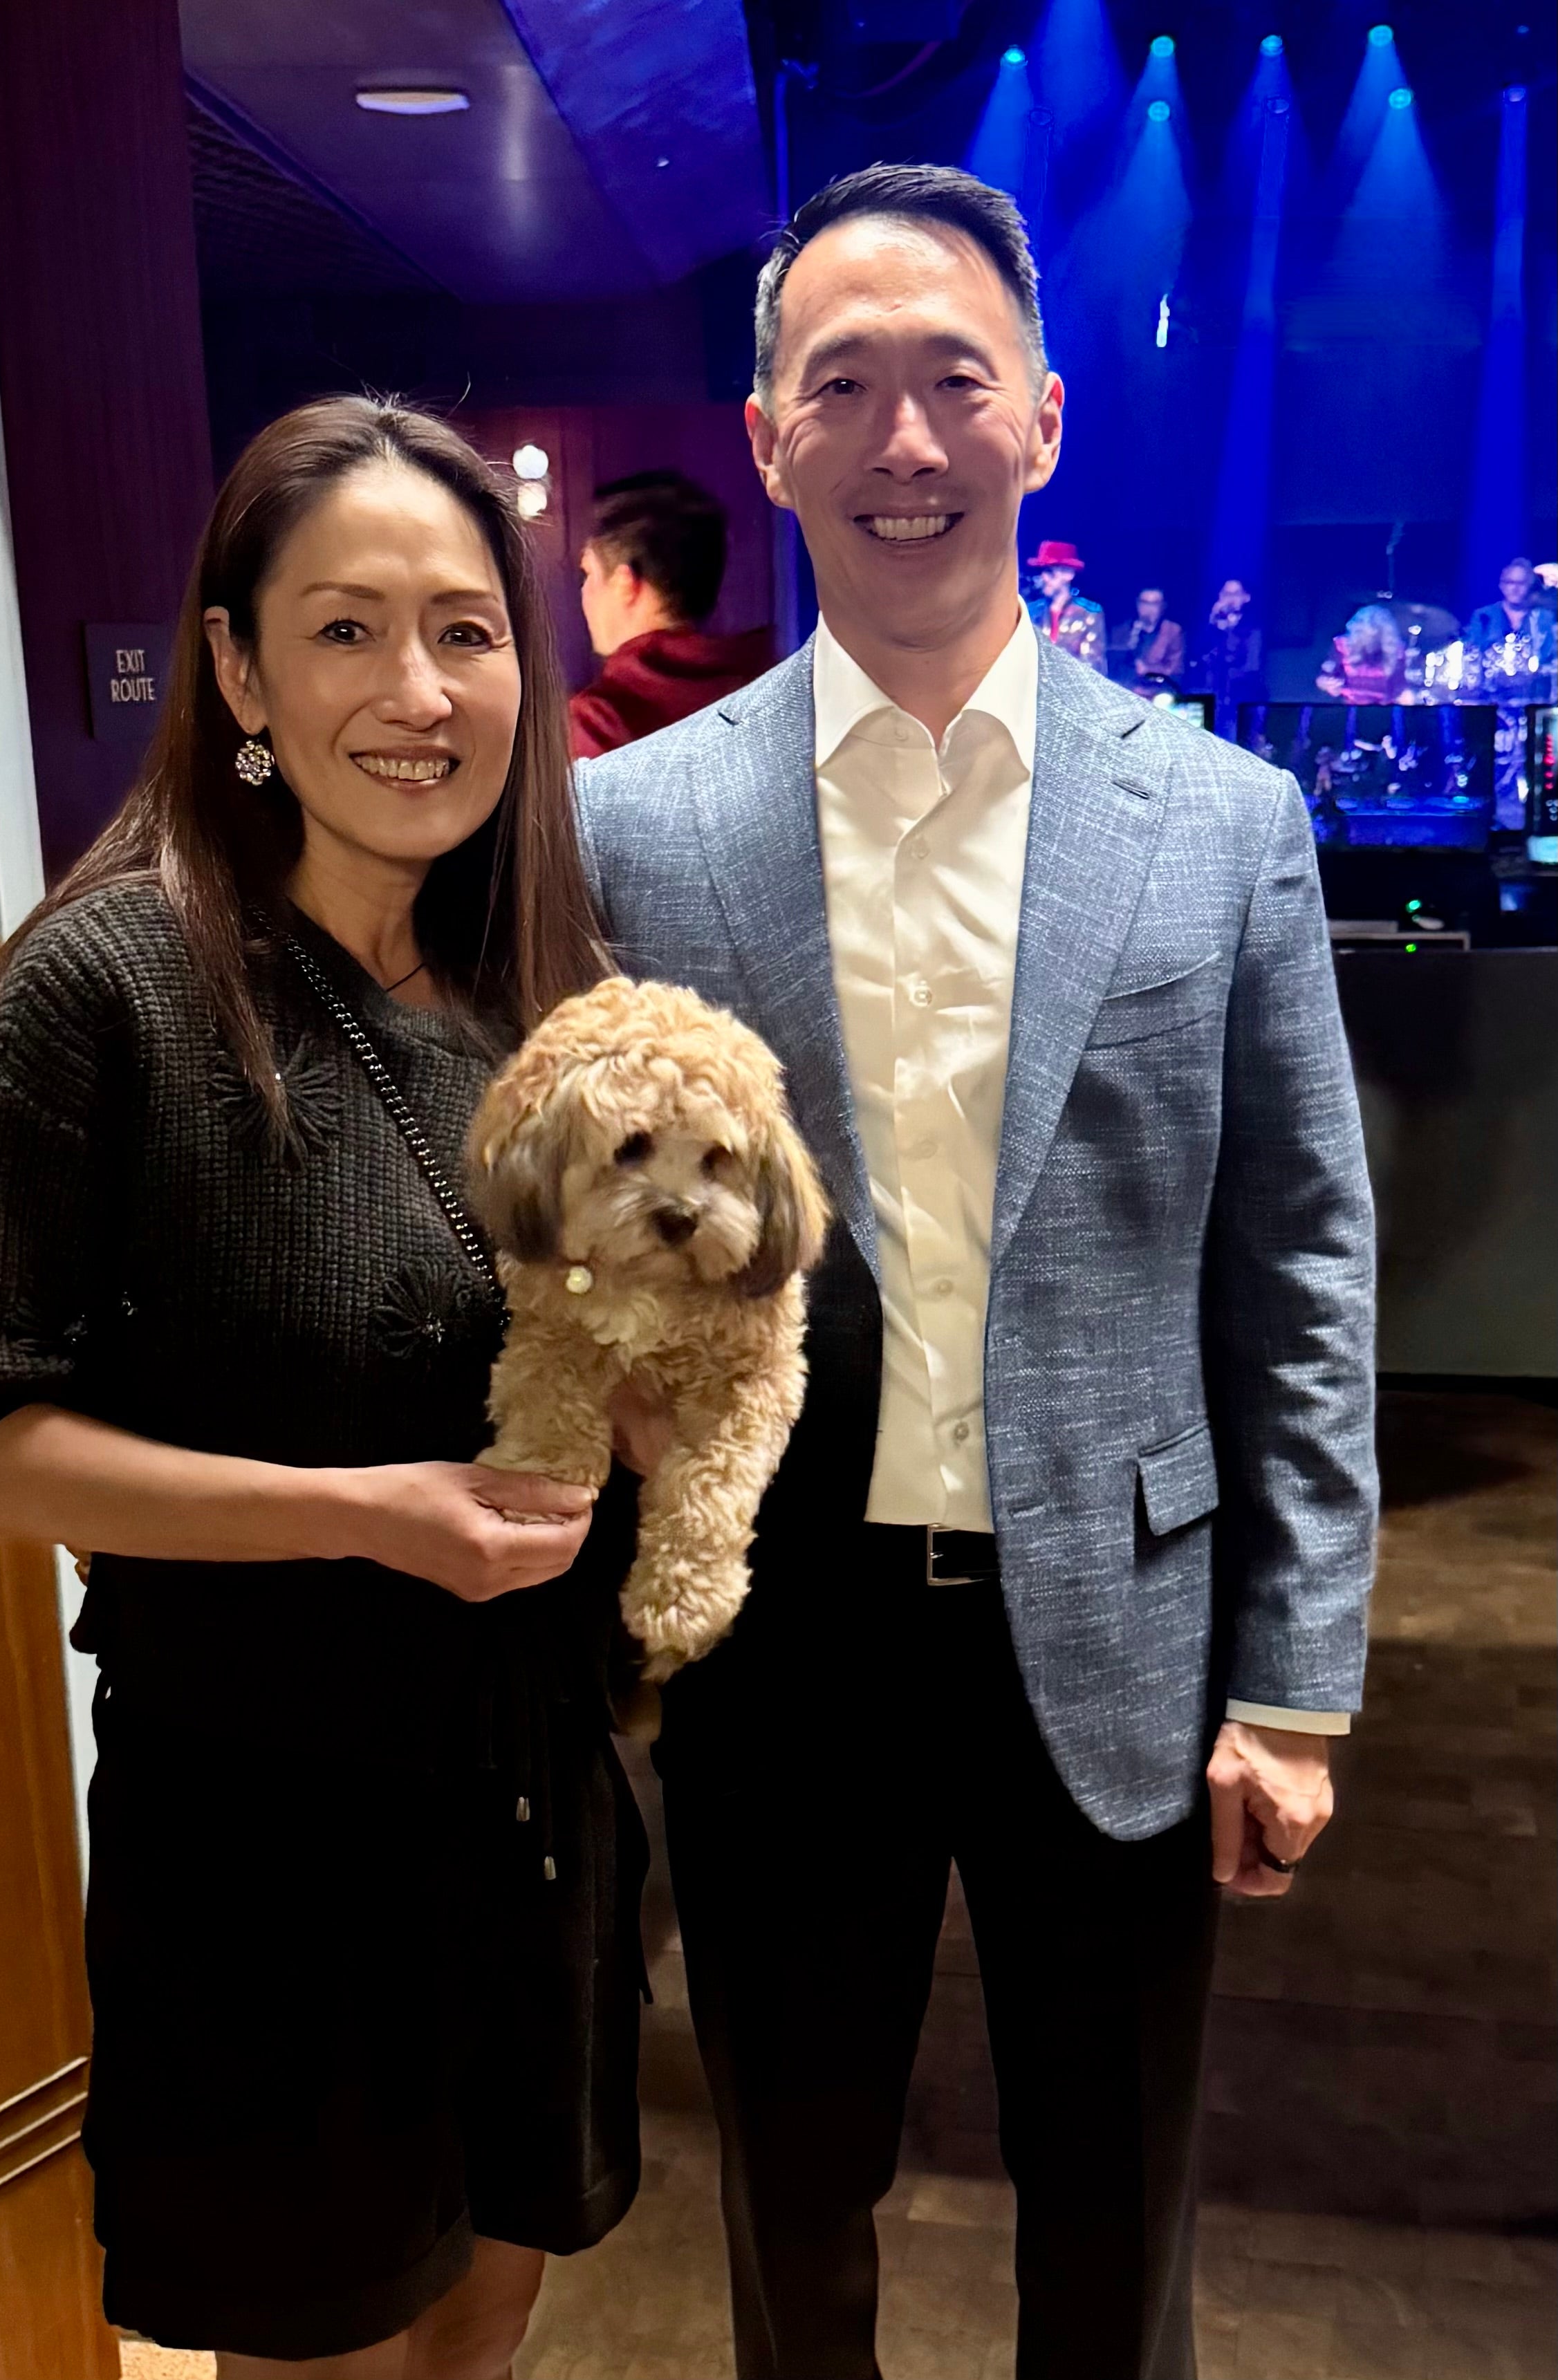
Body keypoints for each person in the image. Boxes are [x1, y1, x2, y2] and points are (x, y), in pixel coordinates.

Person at [576, 163, 1375, 2379]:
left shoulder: (1218, 822)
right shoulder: (637, 825)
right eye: (843, 386)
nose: (901, 440)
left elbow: (1298, 1263)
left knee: (1111, 2233)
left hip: (1114, 1631)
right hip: (781, 1639)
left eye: (951, 383)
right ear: (766, 440)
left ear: (1038, 416)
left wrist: (1293, 1672)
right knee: (784, 2212)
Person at [0, 398, 651, 2380]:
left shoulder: (530, 993)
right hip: (268, 1840)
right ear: (234, 668)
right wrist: (363, 1514)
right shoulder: (108, 991)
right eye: (344, 629)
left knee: (484, 2325)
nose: (417, 691)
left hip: (524, 1799)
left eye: (466, 633)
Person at [570, 469, 775, 756]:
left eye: (588, 573)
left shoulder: (601, 724)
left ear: (625, 584)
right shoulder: (774, 692)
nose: (585, 593)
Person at [1463, 555, 1557, 696]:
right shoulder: (1484, 616)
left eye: (1521, 583)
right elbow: (1471, 655)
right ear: (1501, 585)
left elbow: (1550, 657)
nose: (1515, 589)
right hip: (1489, 696)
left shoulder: (1544, 618)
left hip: (1532, 694)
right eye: (1510, 583)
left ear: (1530, 586)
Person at [1023, 537, 1106, 670]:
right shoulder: (1031, 611)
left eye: (1050, 572)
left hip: (1073, 688)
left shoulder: (1089, 613)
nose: (1043, 578)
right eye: (1042, 572)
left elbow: (1092, 666)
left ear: (1069, 574)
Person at [1317, 601, 1407, 703]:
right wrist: (1328, 684)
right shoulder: (1341, 645)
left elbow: (1401, 687)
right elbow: (1324, 676)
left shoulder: (1397, 650)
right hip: (1350, 705)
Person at [1194, 577, 1266, 703]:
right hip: (1211, 691)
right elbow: (1199, 652)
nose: (1231, 598)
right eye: (1227, 594)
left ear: (1246, 597)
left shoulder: (1254, 628)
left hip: (1241, 694)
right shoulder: (1212, 624)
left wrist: (1230, 630)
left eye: (1236, 594)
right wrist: (1214, 622)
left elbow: (1251, 666)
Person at [1109, 585, 1185, 694]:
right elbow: (1113, 664)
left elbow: (1175, 670)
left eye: (1154, 604)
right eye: (1144, 603)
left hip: (1158, 692)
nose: (1149, 608)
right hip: (1125, 690)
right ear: (1137, 604)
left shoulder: (1172, 631)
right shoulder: (1121, 630)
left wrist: (1148, 669)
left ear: (1163, 606)